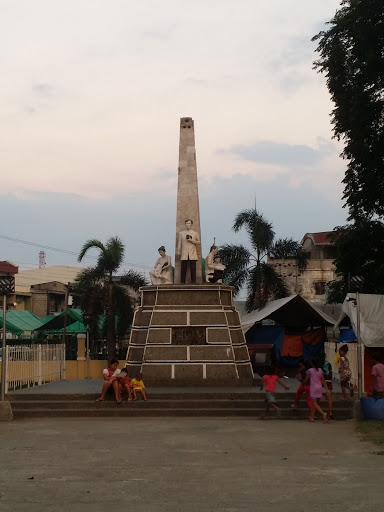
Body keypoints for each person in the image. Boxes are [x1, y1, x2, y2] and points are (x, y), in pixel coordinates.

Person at [177, 219, 200, 284]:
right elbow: (179, 242)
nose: (188, 225)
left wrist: (192, 241)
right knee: (183, 267)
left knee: (193, 268)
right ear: (185, 224)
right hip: (184, 252)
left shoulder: (195, 233)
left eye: (189, 223)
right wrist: (178, 250)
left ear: (191, 224)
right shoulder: (181, 233)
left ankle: (193, 281)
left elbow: (198, 242)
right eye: (187, 223)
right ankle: (182, 281)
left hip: (192, 252)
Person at [321, 353, 334, 419]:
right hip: (328, 381)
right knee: (330, 398)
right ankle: (330, 412)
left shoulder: (319, 365)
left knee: (316, 397)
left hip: (321, 381)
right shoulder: (329, 364)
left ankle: (316, 412)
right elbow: (331, 373)